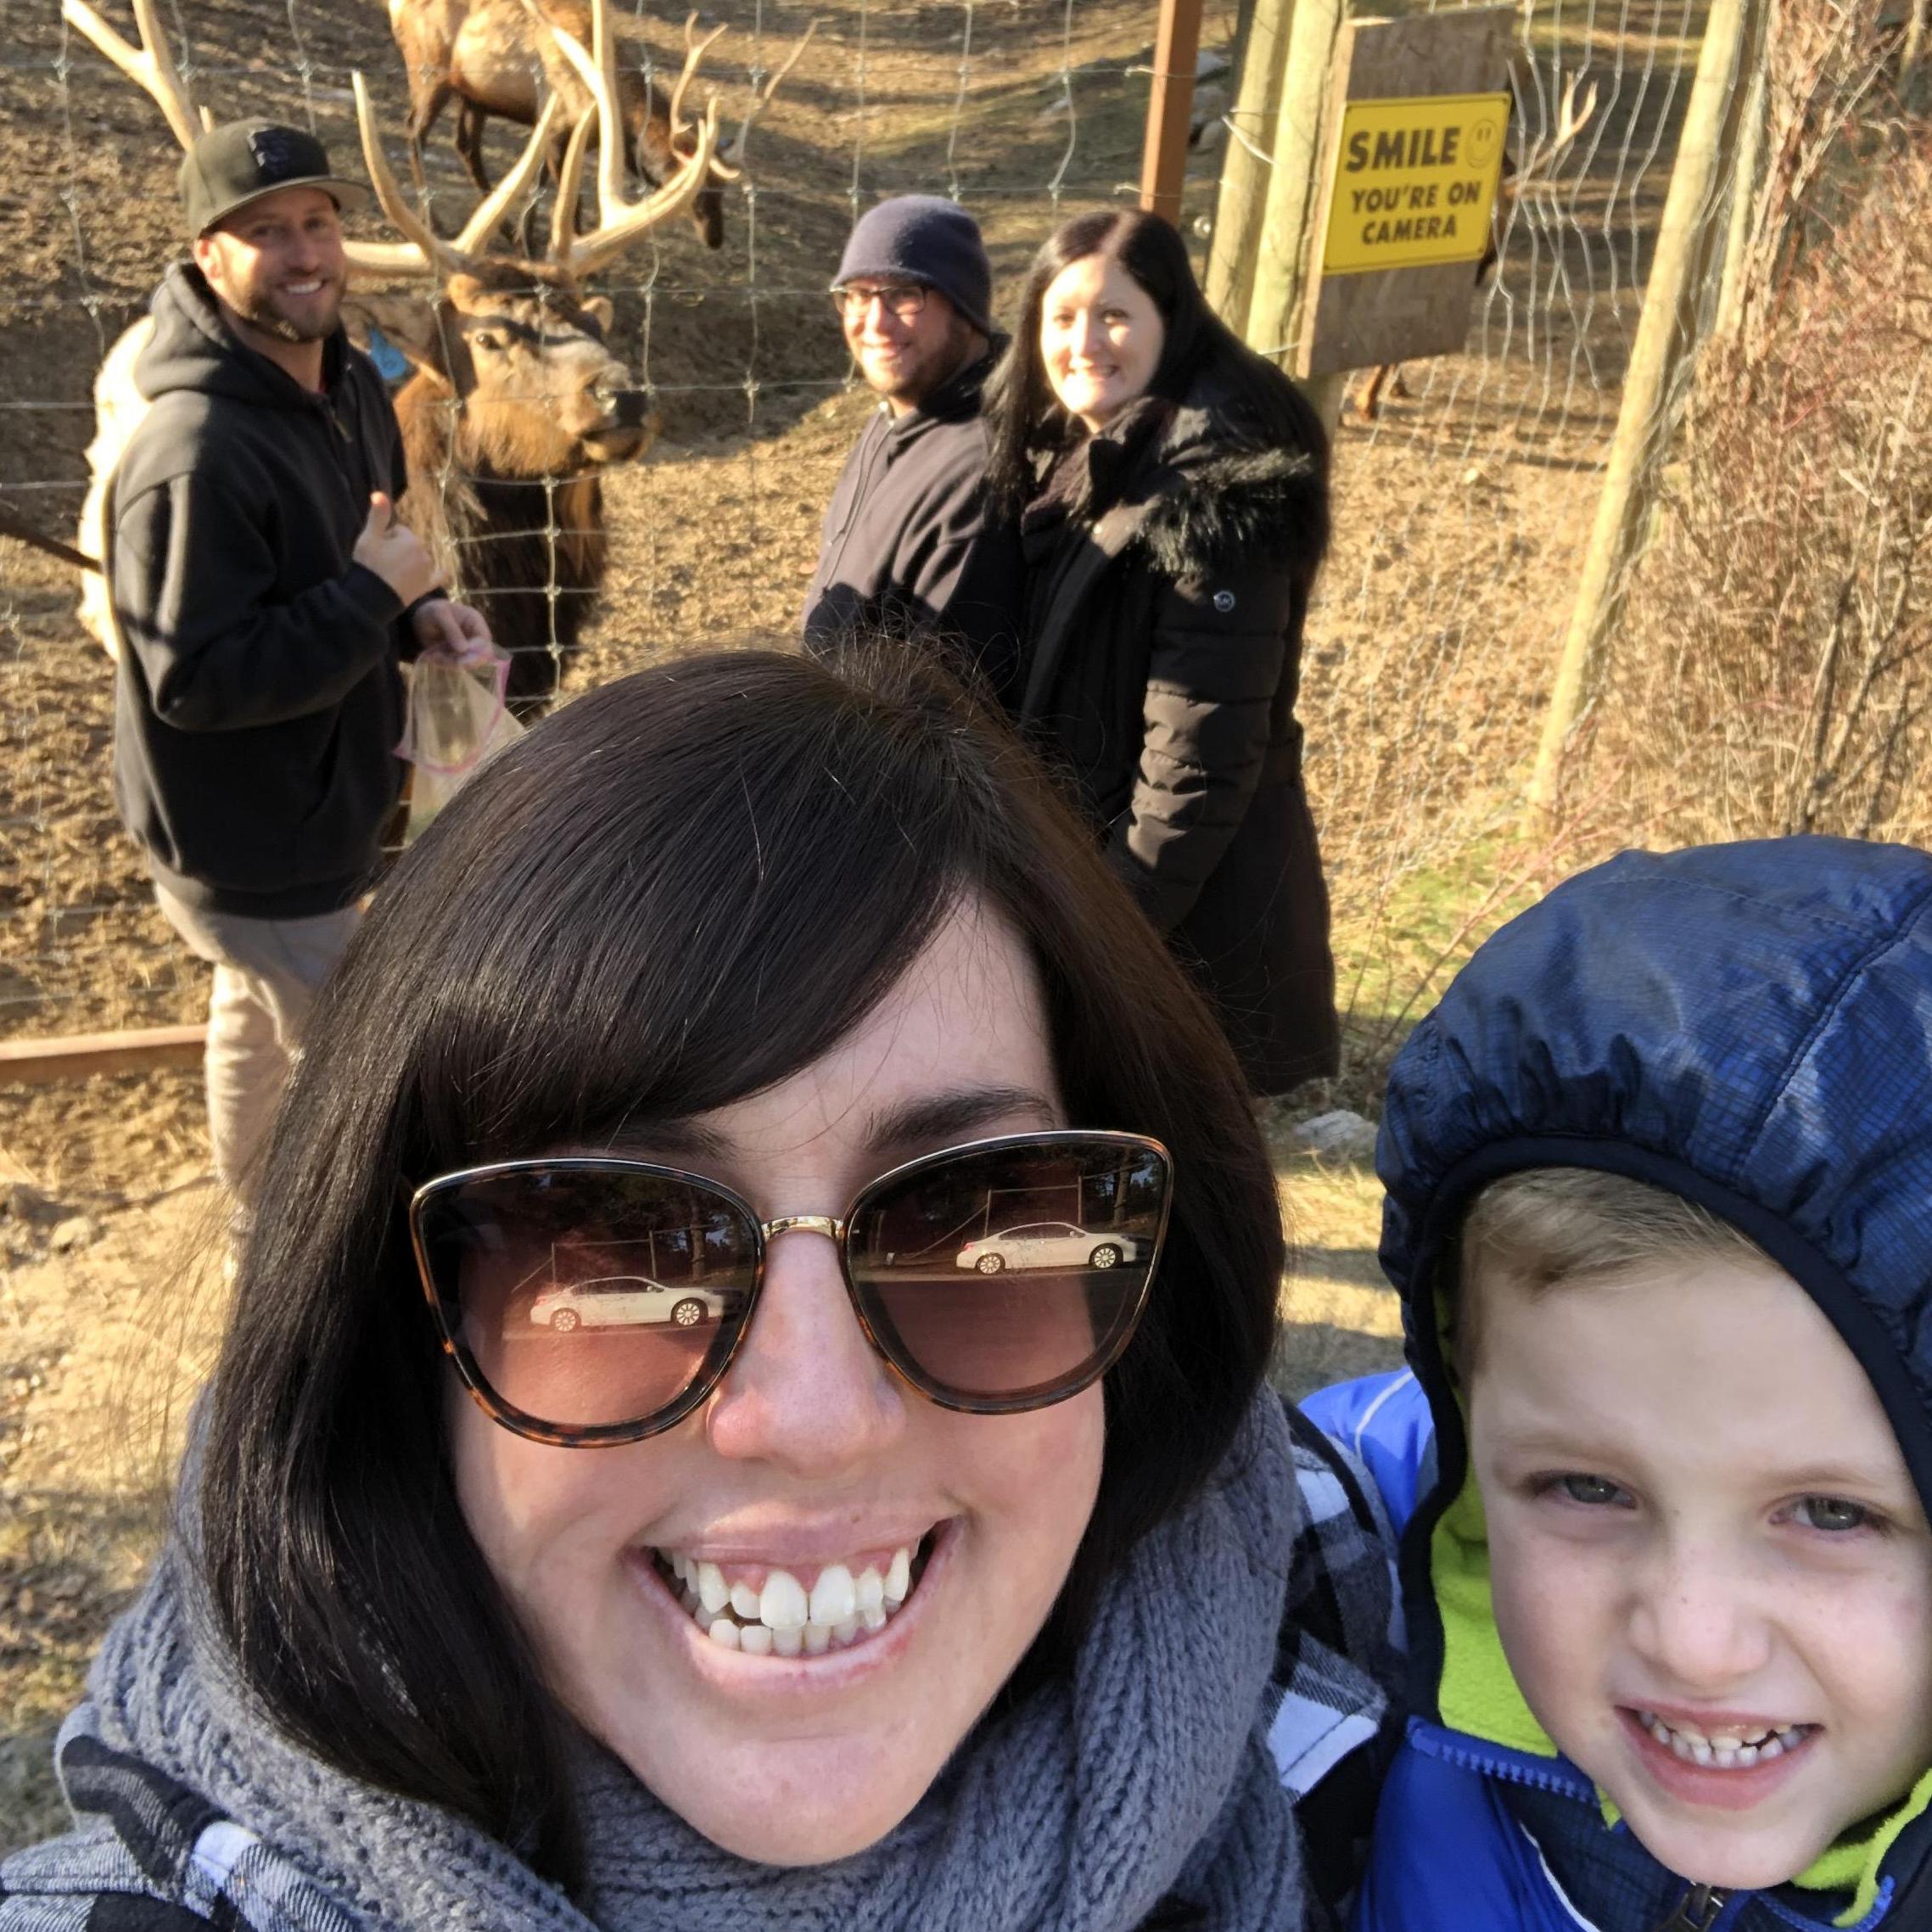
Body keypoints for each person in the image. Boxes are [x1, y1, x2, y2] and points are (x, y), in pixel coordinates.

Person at [1, 647, 1397, 1931]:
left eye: (976, 1226)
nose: (814, 1415)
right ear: (388, 1342)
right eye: (607, 1249)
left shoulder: (1391, 1692)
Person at [1301, 837, 1932, 1929]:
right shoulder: (1323, 1577)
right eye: (1586, 1489)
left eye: (1833, 1512)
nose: (1693, 1640)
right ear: (1467, 1411)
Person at [104, 120, 490, 1215]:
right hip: (253, 837)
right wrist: (375, 597)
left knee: (252, 1019)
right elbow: (201, 679)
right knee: (359, 1067)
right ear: (207, 255)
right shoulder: (193, 453)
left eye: (317, 222)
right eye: (265, 231)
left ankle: (251, 1217)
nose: (304, 252)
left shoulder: (351, 388)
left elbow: (361, 555)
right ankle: (314, 1255)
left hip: (316, 805)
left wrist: (420, 615)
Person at [983, 209, 1338, 1097]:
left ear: (1170, 322)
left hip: (1180, 932)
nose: (1083, 342)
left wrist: (1111, 937)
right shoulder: (1101, 457)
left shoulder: (1214, 493)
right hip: (1114, 899)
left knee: (1163, 1194)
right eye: (1061, 318)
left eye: (1114, 315)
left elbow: (1198, 761)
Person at [801, 196, 1025, 700]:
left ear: (966, 310)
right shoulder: (895, 420)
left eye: (902, 295)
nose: (873, 322)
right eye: (856, 295)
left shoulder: (976, 473)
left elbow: (943, 712)